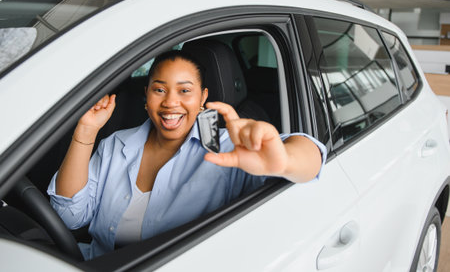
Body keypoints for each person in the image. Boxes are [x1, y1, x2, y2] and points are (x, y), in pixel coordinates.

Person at [47, 50, 327, 260]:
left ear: (203, 97)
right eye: (159, 90)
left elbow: (312, 159)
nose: (170, 102)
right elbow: (70, 216)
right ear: (146, 96)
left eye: (184, 91)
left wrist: (283, 160)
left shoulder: (227, 147)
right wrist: (85, 132)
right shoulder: (115, 144)